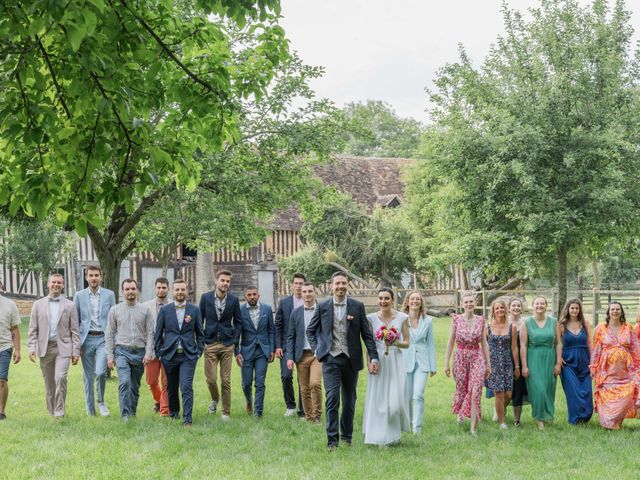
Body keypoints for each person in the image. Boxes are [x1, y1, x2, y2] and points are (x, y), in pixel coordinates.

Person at [306, 271, 379, 451]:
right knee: (332, 398)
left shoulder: (357, 306)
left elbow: (367, 335)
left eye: (343, 283)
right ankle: (332, 441)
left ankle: (347, 436)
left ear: (347, 285)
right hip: (330, 359)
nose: (340, 286)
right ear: (332, 286)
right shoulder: (322, 306)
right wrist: (317, 348)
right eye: (337, 283)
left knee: (349, 400)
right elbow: (311, 330)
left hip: (351, 359)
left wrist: (374, 356)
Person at [362, 288, 410, 446]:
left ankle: (394, 436)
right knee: (378, 399)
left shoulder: (402, 318)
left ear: (392, 300)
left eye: (387, 298)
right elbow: (369, 344)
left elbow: (407, 343)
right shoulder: (370, 319)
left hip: (396, 361)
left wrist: (394, 342)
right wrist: (370, 362)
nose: (383, 301)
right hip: (379, 362)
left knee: (395, 402)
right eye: (381, 298)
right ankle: (378, 437)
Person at [27, 273, 80, 418]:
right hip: (45, 348)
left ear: (63, 285)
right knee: (49, 383)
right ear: (48, 284)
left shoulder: (70, 305)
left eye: (59, 282)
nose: (56, 285)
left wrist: (75, 352)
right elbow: (32, 329)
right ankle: (51, 411)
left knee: (60, 378)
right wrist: (31, 348)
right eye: (53, 282)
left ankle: (59, 412)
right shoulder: (37, 305)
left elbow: (75, 330)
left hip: (63, 348)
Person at [155, 279, 204, 426]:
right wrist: (160, 353)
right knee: (171, 386)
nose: (180, 292)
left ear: (187, 291)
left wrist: (198, 352)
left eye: (182, 290)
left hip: (188, 355)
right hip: (169, 355)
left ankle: (187, 419)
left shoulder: (194, 310)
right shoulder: (165, 310)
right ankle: (174, 413)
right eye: (177, 290)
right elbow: (158, 333)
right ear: (172, 291)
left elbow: (200, 334)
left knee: (186, 386)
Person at [106, 279, 154, 420]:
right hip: (122, 352)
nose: (130, 292)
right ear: (122, 292)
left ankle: (132, 412)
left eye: (133, 289)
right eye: (127, 289)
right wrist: (110, 356)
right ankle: (125, 415)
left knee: (134, 386)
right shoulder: (115, 310)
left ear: (137, 290)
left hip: (139, 352)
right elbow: (109, 333)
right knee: (125, 382)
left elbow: (150, 333)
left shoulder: (145, 310)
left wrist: (149, 352)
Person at [444, 292, 490, 435]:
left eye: (471, 301)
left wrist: (488, 364)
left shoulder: (481, 320)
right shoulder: (456, 319)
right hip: (460, 357)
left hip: (477, 357)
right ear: (462, 304)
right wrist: (446, 363)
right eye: (466, 302)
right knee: (463, 389)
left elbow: (484, 343)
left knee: (475, 390)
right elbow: (451, 341)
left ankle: (473, 428)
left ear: (474, 303)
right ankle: (461, 414)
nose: (469, 304)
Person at [199, 269, 242, 420]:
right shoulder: (205, 298)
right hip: (209, 343)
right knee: (210, 379)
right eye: (222, 280)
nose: (225, 283)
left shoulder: (234, 300)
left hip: (227, 344)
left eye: (227, 281)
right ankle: (215, 398)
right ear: (216, 281)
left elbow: (238, 323)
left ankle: (226, 412)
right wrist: (202, 340)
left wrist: (234, 341)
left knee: (226, 380)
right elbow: (199, 321)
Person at [590, 301, 640, 429]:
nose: (615, 312)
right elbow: (596, 349)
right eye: (612, 309)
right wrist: (593, 366)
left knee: (626, 392)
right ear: (608, 312)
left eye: (617, 309)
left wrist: (638, 365)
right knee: (607, 392)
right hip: (606, 369)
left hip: (625, 369)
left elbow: (635, 347)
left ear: (621, 311)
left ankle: (618, 419)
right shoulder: (601, 328)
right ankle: (609, 421)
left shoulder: (628, 327)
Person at [74, 265, 116, 417]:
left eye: (96, 275)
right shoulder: (78, 296)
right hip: (86, 339)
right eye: (90, 275)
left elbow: (113, 320)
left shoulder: (109, 295)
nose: (93, 278)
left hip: (103, 339)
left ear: (101, 277)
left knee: (100, 372)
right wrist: (77, 344)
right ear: (86, 277)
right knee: (88, 376)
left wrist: (114, 342)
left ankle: (101, 402)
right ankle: (90, 410)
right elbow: (76, 321)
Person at [520, 295, 560, 430]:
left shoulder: (554, 322)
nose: (539, 306)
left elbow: (559, 343)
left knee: (549, 389)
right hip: (533, 358)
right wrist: (524, 365)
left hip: (549, 357)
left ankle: (547, 414)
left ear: (546, 306)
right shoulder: (527, 322)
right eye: (537, 304)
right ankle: (539, 418)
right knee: (539, 390)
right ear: (533, 305)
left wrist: (558, 363)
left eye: (542, 304)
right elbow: (523, 345)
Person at [400, 290, 436, 434]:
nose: (415, 301)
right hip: (405, 361)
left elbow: (430, 343)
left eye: (418, 299)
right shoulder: (401, 319)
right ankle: (407, 424)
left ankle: (417, 429)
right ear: (407, 302)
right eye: (412, 299)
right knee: (408, 397)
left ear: (421, 303)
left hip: (422, 363)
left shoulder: (428, 321)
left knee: (418, 395)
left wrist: (433, 366)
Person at [287, 282, 323, 423]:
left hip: (317, 355)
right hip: (300, 355)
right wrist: (289, 357)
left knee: (315, 383)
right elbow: (291, 337)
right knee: (304, 389)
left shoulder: (322, 310)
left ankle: (317, 415)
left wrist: (322, 349)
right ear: (301, 294)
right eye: (304, 292)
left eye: (310, 291)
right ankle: (309, 417)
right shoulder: (295, 313)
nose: (307, 294)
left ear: (315, 292)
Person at [236, 287, 275, 418]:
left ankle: (258, 412)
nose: (252, 297)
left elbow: (271, 331)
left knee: (260, 382)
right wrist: (237, 352)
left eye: (254, 294)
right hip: (246, 351)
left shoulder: (267, 309)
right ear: (245, 296)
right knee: (246, 383)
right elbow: (236, 333)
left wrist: (271, 349)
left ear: (258, 295)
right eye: (249, 295)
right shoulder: (240, 310)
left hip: (262, 351)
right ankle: (249, 401)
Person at [556, 298, 593, 425]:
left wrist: (593, 362)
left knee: (586, 390)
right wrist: (559, 358)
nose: (574, 310)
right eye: (572, 308)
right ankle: (575, 418)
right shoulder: (561, 325)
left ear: (580, 310)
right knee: (573, 391)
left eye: (577, 308)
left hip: (585, 361)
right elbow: (558, 344)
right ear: (567, 309)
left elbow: (589, 343)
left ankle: (586, 416)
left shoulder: (585, 323)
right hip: (568, 363)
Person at [484, 298, 518, 430]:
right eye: (497, 308)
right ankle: (502, 423)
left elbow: (514, 348)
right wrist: (485, 364)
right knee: (498, 392)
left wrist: (517, 366)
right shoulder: (487, 327)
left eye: (502, 308)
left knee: (508, 394)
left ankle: (498, 409)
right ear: (493, 310)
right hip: (493, 363)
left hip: (507, 362)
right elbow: (484, 346)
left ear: (506, 310)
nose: (500, 310)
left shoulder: (512, 327)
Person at [275, 273, 306, 417]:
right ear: (292, 285)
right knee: (286, 376)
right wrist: (278, 346)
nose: (299, 286)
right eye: (297, 283)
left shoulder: (310, 302)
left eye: (301, 283)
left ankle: (303, 409)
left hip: (304, 346)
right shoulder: (284, 302)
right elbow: (278, 325)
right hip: (287, 346)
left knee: (303, 378)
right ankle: (290, 406)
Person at [142, 277, 171, 416]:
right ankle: (158, 400)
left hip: (168, 349)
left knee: (166, 381)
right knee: (151, 381)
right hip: (151, 348)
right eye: (158, 287)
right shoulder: (146, 306)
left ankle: (165, 410)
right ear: (155, 289)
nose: (161, 290)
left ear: (168, 289)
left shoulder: (173, 305)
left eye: (164, 287)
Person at [0, 281, 21, 420]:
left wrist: (18, 350)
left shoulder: (10, 305)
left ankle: (1, 411)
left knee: (1, 380)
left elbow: (15, 328)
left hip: (4, 347)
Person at [507, 297, 528, 426]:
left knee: (518, 387)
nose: (516, 308)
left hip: (520, 356)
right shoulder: (503, 322)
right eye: (513, 305)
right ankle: (499, 413)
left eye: (518, 306)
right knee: (502, 387)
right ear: (509, 308)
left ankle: (517, 419)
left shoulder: (525, 323)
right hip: (504, 356)